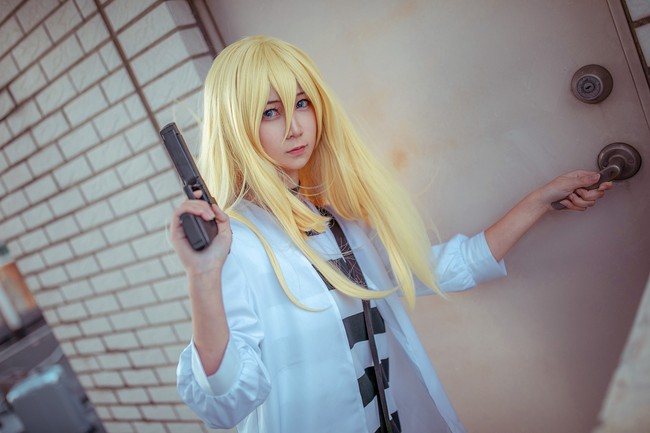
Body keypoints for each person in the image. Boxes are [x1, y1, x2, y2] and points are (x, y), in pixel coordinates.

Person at [172, 35, 612, 433]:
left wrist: (538, 201)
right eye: (270, 112)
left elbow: (436, 268)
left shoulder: (338, 221)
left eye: (302, 103)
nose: (295, 126)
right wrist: (203, 276)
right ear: (236, 129)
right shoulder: (236, 244)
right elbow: (225, 403)